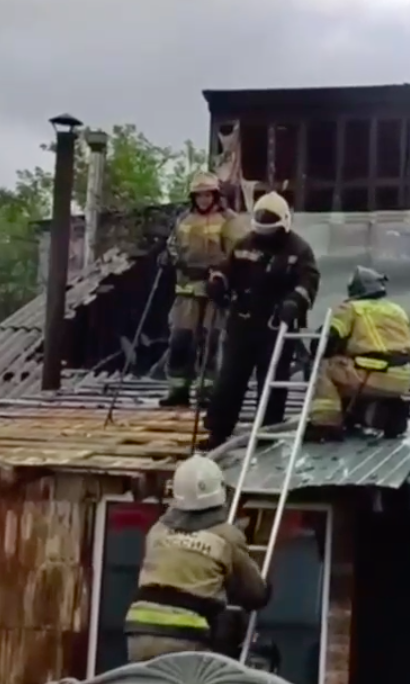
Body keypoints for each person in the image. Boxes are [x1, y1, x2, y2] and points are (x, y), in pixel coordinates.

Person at [201, 192, 321, 450]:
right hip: (242, 322)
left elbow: (308, 282)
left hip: (276, 325)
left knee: (271, 381)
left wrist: (294, 303)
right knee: (230, 378)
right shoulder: (245, 244)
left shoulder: (298, 250)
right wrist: (217, 282)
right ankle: (218, 430)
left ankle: (267, 434)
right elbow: (227, 268)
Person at [125, 455, 269, 662]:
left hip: (138, 630)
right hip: (185, 634)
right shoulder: (226, 536)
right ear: (220, 491)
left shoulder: (158, 531)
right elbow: (254, 595)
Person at [306, 266, 410, 441]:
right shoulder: (397, 310)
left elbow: (327, 341)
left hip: (370, 375)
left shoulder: (351, 308)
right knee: (351, 365)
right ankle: (380, 411)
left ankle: (325, 425)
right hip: (403, 376)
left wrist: (317, 348)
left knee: (323, 365)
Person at [160, 171, 235, 407]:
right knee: (180, 339)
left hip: (215, 289)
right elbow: (173, 246)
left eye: (207, 195)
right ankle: (178, 390)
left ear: (215, 195)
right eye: (199, 195)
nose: (203, 200)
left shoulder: (229, 220)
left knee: (211, 340)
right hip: (187, 289)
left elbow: (237, 255)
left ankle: (208, 390)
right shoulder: (184, 220)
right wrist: (166, 257)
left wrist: (224, 279)